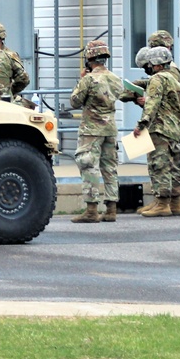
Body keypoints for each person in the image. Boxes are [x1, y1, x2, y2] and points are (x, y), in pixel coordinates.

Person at [69, 39, 124, 223]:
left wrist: (81, 79)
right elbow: (123, 94)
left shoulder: (88, 79)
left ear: (89, 59)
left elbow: (75, 101)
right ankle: (111, 209)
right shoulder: (115, 79)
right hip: (110, 129)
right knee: (109, 168)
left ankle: (92, 210)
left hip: (91, 129)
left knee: (88, 166)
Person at [133, 46, 180, 217]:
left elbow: (152, 104)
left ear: (155, 64)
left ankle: (162, 204)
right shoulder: (174, 80)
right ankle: (175, 203)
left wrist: (142, 124)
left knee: (159, 166)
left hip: (160, 128)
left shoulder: (157, 79)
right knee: (174, 166)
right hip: (174, 129)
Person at [0, 21, 34, 108]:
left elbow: (23, 79)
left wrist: (9, 91)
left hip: (4, 102)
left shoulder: (10, 55)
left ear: (0, 38)